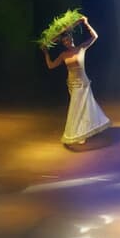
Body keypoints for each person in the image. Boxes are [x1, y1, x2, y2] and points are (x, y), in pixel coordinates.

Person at [41, 16, 111, 146]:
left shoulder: (81, 48)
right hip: (72, 84)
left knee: (81, 108)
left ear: (71, 39)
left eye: (67, 40)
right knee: (78, 108)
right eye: (64, 42)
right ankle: (81, 131)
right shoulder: (63, 55)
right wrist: (46, 53)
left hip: (83, 83)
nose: (66, 43)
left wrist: (86, 23)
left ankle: (81, 132)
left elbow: (95, 36)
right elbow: (51, 65)